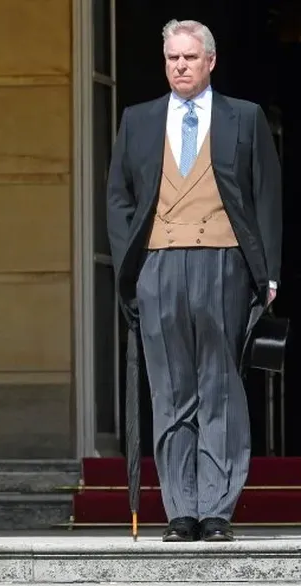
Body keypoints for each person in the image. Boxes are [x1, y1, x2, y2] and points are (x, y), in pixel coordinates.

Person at [105, 19, 281, 542]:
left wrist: (269, 272)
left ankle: (217, 509)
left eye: (189, 57)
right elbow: (119, 198)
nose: (180, 66)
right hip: (158, 265)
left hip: (224, 261)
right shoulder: (138, 119)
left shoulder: (244, 117)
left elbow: (266, 195)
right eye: (172, 58)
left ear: (210, 61)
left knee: (220, 387)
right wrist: (130, 266)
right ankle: (181, 509)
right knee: (171, 389)